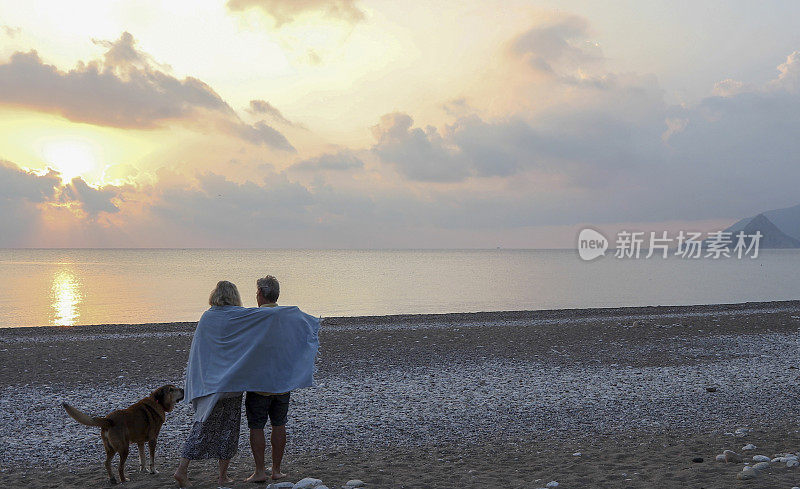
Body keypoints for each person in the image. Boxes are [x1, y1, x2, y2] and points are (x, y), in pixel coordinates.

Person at [174, 281, 244, 488]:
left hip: (210, 384)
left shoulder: (207, 317)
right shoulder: (239, 316)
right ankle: (222, 476)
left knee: (201, 426)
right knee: (229, 429)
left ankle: (182, 469)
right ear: (234, 296)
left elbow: (200, 352)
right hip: (231, 383)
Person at [245, 275, 290, 483]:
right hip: (282, 380)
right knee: (279, 424)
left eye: (257, 293)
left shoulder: (254, 317)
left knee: (257, 426)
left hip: (259, 382)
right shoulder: (288, 316)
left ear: (261, 294)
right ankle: (277, 470)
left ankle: (260, 470)